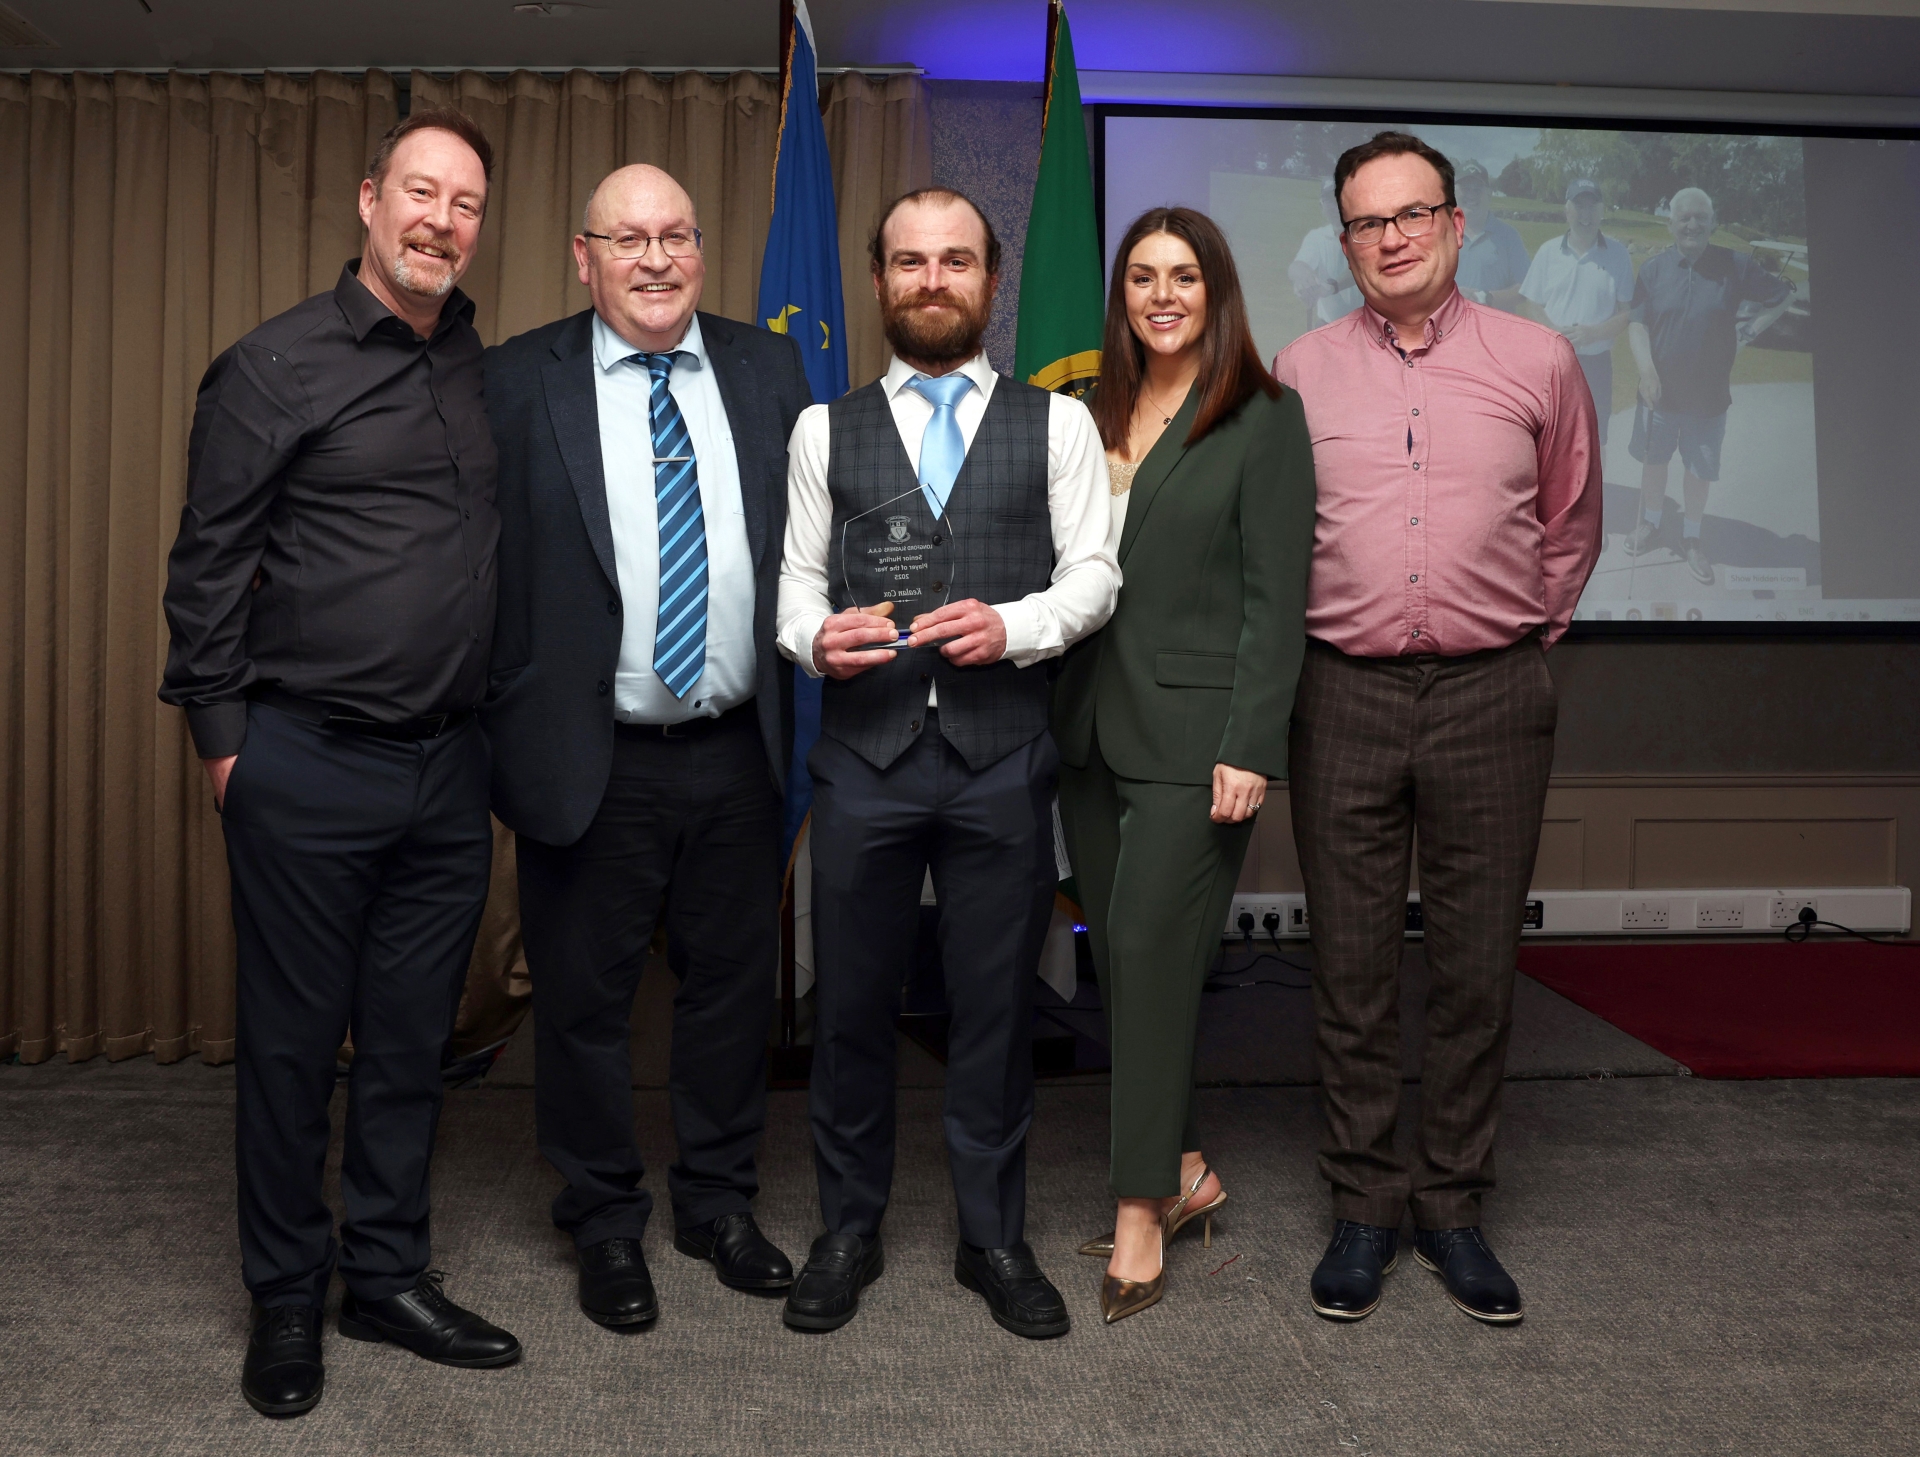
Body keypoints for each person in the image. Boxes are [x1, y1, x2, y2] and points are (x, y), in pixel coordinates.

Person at [159, 109, 520, 1420]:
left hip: (448, 773)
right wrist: (228, 753)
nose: (440, 219)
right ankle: (284, 1295)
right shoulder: (272, 367)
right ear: (371, 199)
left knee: (414, 1042)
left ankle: (386, 1275)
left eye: (465, 203)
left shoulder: (481, 365)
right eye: (420, 191)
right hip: (303, 762)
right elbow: (207, 569)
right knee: (293, 1050)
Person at [1270, 132, 1602, 1327]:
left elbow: (1570, 522)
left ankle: (1453, 1204)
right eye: (1368, 222)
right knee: (1351, 966)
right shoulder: (1300, 370)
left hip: (1492, 696)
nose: (1393, 237)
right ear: (1344, 242)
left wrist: (1512, 634)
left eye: (1413, 214)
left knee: (1474, 966)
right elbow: (1278, 535)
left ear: (1458, 225)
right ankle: (1366, 1203)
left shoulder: (1540, 358)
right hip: (1341, 694)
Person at [775, 187, 1119, 1338]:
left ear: (991, 279)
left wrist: (1016, 625)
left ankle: (993, 1237)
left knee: (994, 1009)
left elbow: (1094, 574)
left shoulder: (1057, 424)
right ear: (878, 278)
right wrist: (810, 637)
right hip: (863, 757)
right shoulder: (822, 430)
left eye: (956, 260)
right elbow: (793, 585)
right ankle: (846, 1228)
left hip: (1000, 757)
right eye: (911, 261)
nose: (933, 279)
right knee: (849, 1005)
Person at [481, 165, 814, 1330]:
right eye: (629, 239)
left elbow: (809, 541)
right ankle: (603, 1217)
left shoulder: (772, 370)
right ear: (584, 257)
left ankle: (717, 1201)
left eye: (677, 235)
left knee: (731, 991)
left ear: (702, 250)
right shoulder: (517, 377)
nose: (657, 258)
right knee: (584, 1000)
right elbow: (479, 562)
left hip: (738, 744)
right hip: (591, 751)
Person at [1052, 207, 1316, 1325]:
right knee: (1126, 970)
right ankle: (1187, 1163)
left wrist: (1251, 742)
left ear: (1217, 292)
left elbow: (1276, 596)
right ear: (1121, 294)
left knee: (1156, 953)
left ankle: (1140, 1210)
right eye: (1143, 276)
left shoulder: (1264, 416)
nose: (1163, 295)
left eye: (1186, 276)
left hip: (1198, 740)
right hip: (1083, 730)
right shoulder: (1083, 411)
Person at [1624, 187, 1794, 586]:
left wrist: (1751, 330)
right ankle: (1651, 523)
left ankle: (1692, 536)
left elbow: (1783, 295)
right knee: (1654, 464)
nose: (1692, 224)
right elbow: (1637, 324)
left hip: (1709, 398)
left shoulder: (1736, 265)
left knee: (1699, 471)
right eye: (1684, 217)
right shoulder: (1653, 270)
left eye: (1701, 217)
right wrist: (1646, 370)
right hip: (1658, 395)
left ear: (1713, 224)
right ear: (1671, 224)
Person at [1520, 178, 1635, 448]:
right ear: (1567, 210)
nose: (1586, 214)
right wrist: (1556, 334)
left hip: (1596, 364)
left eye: (1592, 206)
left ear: (1602, 211)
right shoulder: (1548, 251)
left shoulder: (1618, 254)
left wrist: (1593, 333)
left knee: (1594, 442)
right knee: (1549, 439)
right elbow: (1531, 303)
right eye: (1579, 206)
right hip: (1553, 362)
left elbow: (1626, 313)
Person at [1452, 160, 1529, 313]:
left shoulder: (1508, 236)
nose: (1471, 195)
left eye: (1477, 189)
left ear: (1489, 194)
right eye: (1465, 188)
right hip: (1450, 325)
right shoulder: (1440, 234)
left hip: (1494, 326)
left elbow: (1525, 287)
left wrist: (1485, 298)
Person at [1288, 178, 1365, 326]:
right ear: (1321, 205)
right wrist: (1305, 279)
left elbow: (1361, 268)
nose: (1336, 206)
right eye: (1330, 201)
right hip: (1328, 325)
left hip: (1366, 327)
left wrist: (1331, 287)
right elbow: (1297, 266)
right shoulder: (1317, 237)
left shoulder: (1367, 234)